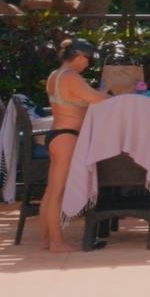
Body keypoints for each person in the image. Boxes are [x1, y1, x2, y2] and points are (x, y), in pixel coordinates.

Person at [42, 38, 108, 253]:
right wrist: (108, 90)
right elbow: (97, 99)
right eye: (87, 59)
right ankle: (56, 243)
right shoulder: (71, 77)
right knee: (57, 193)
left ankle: (48, 238)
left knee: (51, 191)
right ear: (78, 56)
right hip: (67, 137)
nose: (87, 64)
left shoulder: (55, 75)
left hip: (56, 134)